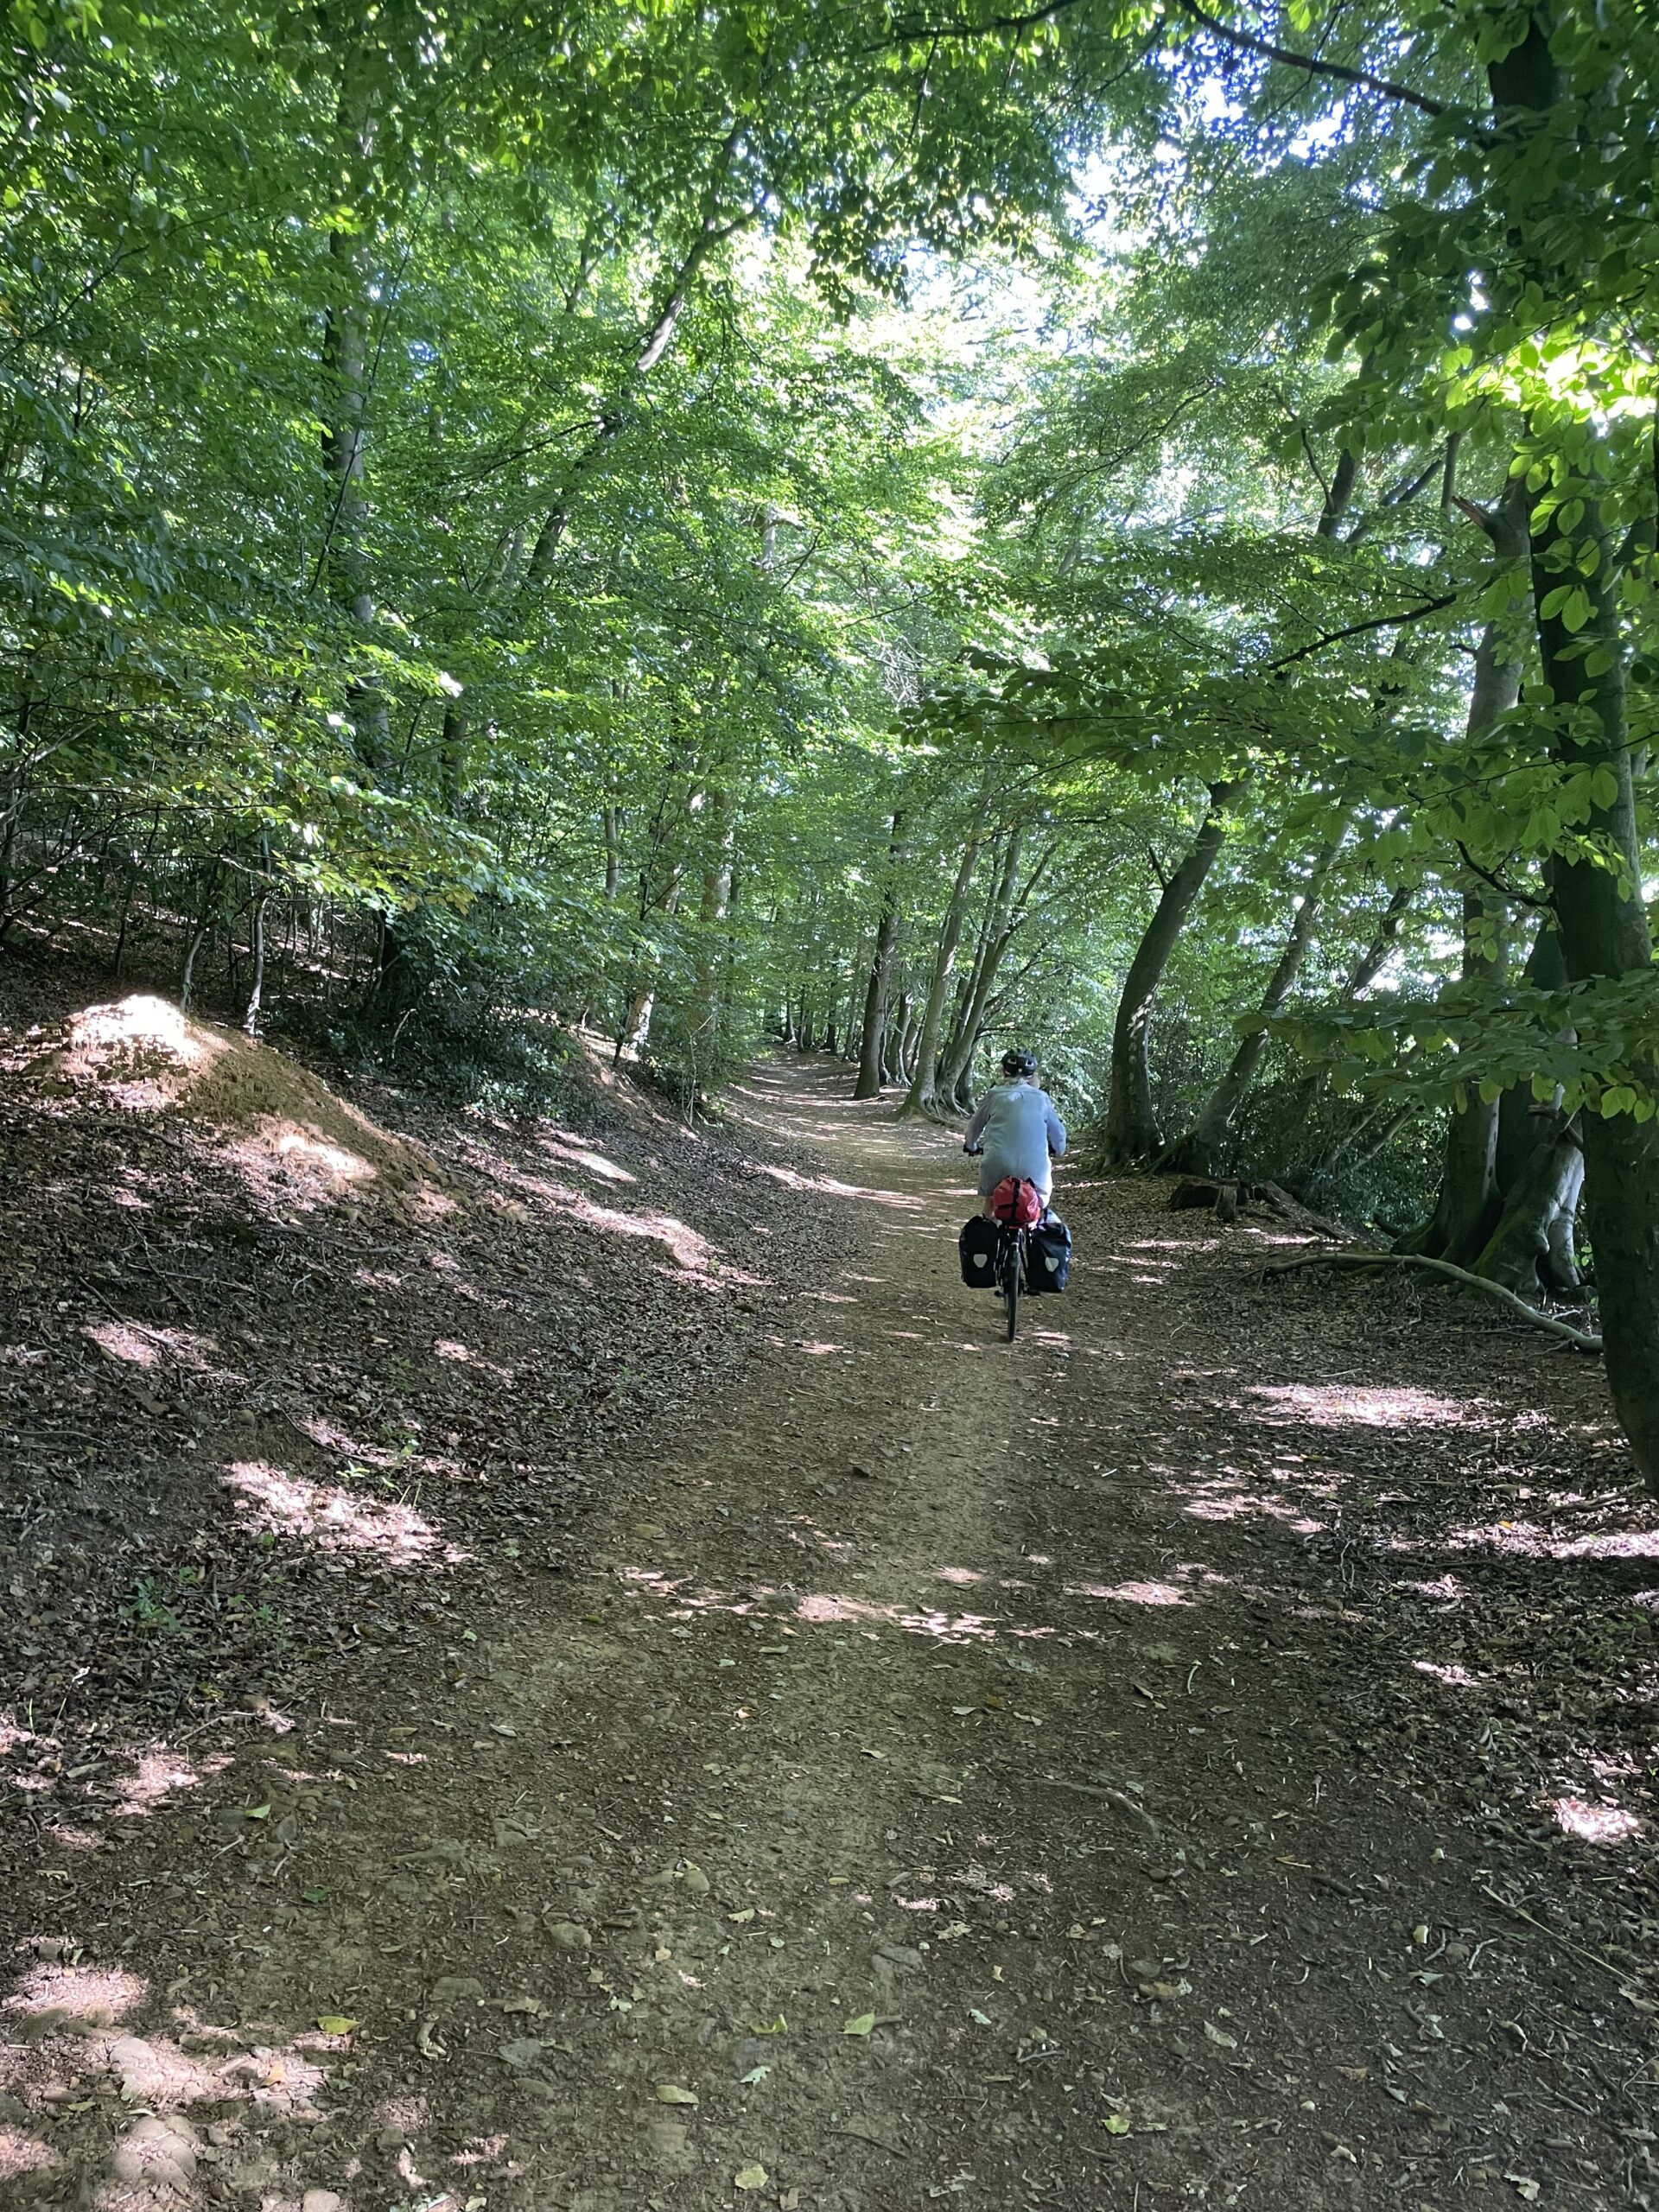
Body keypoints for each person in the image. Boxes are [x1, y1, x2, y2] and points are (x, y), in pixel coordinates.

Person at [963, 1049, 1066, 1214]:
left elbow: (974, 1127)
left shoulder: (994, 1095)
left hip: (997, 1164)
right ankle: (1033, 1227)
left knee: (992, 1200)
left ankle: (989, 1224)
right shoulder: (1042, 1098)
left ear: (1003, 1071)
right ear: (1032, 1075)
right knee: (1037, 1206)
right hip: (1035, 1170)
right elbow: (1058, 1133)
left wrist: (971, 1146)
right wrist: (1059, 1150)